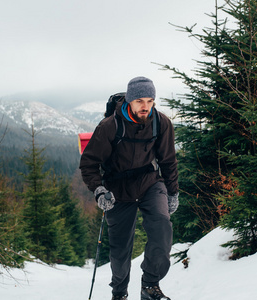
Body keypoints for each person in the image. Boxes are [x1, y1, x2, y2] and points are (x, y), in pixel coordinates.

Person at [80, 76, 179, 300]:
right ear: (129, 100)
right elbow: (88, 164)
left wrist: (172, 192)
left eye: (150, 101)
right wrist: (99, 190)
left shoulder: (160, 123)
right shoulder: (109, 126)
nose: (145, 107)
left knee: (162, 229)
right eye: (140, 101)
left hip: (149, 183)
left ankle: (150, 286)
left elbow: (168, 160)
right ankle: (119, 293)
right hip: (117, 189)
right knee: (120, 250)